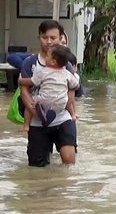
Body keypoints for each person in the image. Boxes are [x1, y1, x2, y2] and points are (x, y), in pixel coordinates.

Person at [19, 20, 79, 167]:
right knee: (37, 167)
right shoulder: (30, 63)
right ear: (39, 37)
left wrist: (71, 110)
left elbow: (72, 89)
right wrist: (36, 112)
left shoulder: (66, 64)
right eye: (45, 37)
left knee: (69, 161)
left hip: (62, 118)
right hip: (38, 121)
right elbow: (24, 90)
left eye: (53, 38)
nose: (49, 41)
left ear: (60, 39)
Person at [19, 44, 79, 132]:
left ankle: (26, 125)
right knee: (67, 99)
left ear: (53, 62)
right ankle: (73, 114)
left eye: (47, 56)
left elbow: (32, 81)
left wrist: (20, 80)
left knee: (30, 103)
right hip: (61, 104)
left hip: (44, 101)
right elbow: (76, 85)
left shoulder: (43, 72)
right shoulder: (67, 73)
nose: (45, 58)